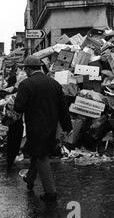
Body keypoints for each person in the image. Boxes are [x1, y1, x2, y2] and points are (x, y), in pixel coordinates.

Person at [14, 56, 72, 203]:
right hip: (52, 126)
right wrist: (67, 127)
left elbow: (18, 107)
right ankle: (30, 179)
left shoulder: (26, 84)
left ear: (28, 69)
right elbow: (63, 108)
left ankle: (51, 193)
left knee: (41, 156)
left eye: (24, 68)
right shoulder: (54, 84)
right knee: (38, 152)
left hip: (35, 127)